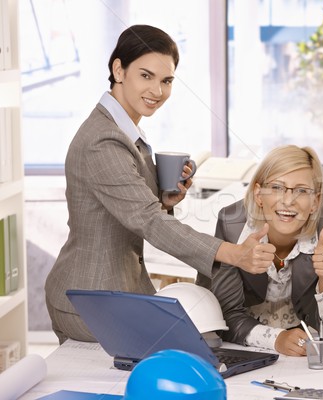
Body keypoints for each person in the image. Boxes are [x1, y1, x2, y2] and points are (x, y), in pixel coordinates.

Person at [45, 25, 275, 344]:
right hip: (88, 298)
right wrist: (235, 254)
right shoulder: (104, 139)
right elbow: (149, 221)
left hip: (123, 290)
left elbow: (133, 208)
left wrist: (166, 198)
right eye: (146, 75)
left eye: (166, 81)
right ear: (118, 70)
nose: (157, 90)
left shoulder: (125, 131)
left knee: (196, 346)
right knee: (182, 350)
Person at [202, 145, 323, 356]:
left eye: (301, 190)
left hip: (303, 356)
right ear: (258, 194)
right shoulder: (232, 225)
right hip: (246, 350)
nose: (288, 201)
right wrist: (276, 339)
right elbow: (225, 317)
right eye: (277, 187)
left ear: (315, 202)